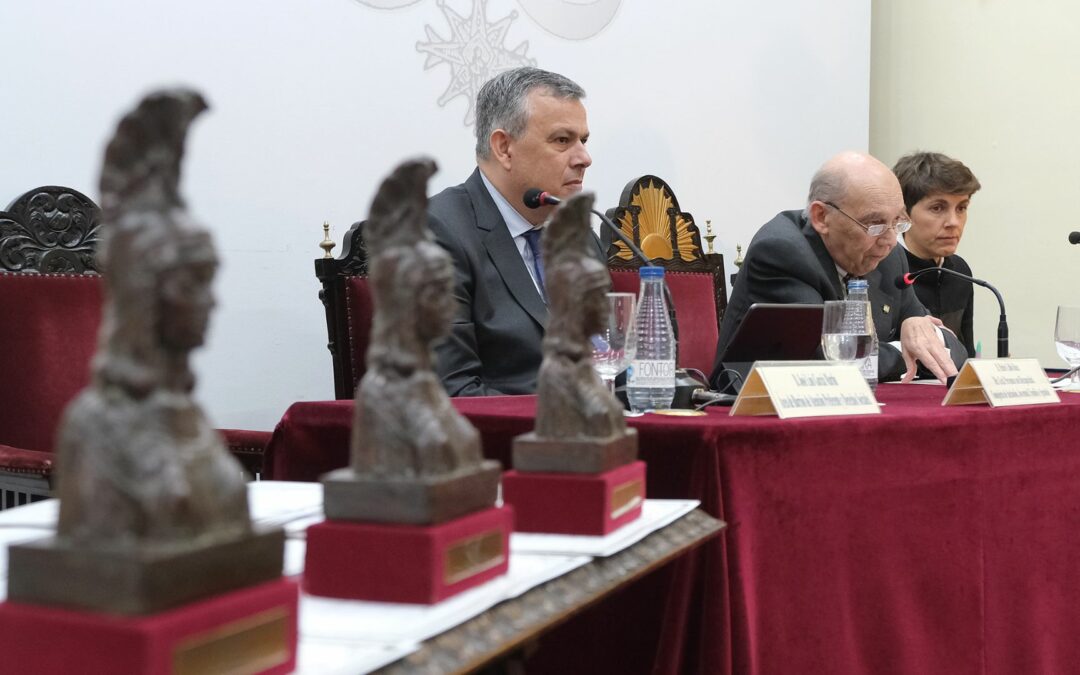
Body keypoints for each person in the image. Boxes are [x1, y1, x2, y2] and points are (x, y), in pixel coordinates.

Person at [711, 151, 967, 387]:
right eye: (874, 224)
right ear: (821, 217)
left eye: (898, 221)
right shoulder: (782, 252)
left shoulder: (889, 257)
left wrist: (925, 332)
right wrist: (906, 349)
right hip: (752, 409)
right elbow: (830, 357)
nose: (890, 240)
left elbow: (954, 350)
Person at [428, 66, 601, 396]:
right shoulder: (438, 233)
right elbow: (452, 392)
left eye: (584, 140)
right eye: (562, 140)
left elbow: (610, 360)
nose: (584, 158)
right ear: (504, 147)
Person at [892, 151, 981, 358]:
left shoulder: (960, 271)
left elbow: (965, 356)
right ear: (903, 214)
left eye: (962, 208)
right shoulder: (882, 268)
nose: (954, 222)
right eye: (937, 208)